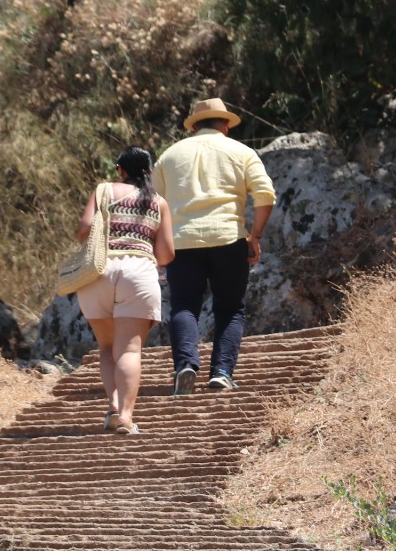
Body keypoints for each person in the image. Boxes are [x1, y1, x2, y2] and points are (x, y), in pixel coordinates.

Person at [154, 97, 275, 394]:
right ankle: (221, 371)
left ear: (194, 126)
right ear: (225, 125)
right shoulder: (241, 151)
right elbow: (266, 196)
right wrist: (255, 235)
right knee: (230, 308)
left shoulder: (169, 156)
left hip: (181, 242)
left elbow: (153, 205)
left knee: (184, 304)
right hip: (228, 238)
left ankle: (185, 365)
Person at [75, 146, 175, 434]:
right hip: (138, 273)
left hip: (99, 272)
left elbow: (83, 231)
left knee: (107, 348)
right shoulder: (158, 202)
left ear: (120, 169)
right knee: (130, 349)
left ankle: (113, 407)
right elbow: (166, 254)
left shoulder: (103, 191)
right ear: (149, 172)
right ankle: (127, 418)